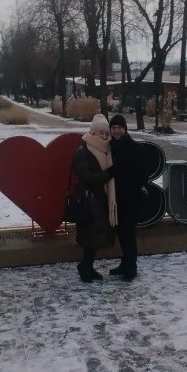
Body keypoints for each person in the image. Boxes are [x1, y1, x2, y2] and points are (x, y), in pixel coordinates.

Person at [71, 112, 117, 282]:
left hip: (101, 200)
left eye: (106, 133)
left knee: (95, 238)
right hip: (89, 201)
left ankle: (87, 266)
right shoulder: (83, 151)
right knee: (90, 238)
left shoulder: (107, 150)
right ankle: (85, 267)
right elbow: (86, 177)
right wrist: (108, 174)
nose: (104, 136)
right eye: (100, 132)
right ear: (93, 132)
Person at [108, 112, 146, 281]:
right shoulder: (109, 148)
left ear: (125, 129)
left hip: (130, 200)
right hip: (115, 200)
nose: (116, 131)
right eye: (113, 128)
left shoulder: (135, 148)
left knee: (128, 234)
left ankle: (131, 267)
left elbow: (142, 175)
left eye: (119, 128)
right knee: (122, 235)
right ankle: (125, 264)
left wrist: (131, 189)